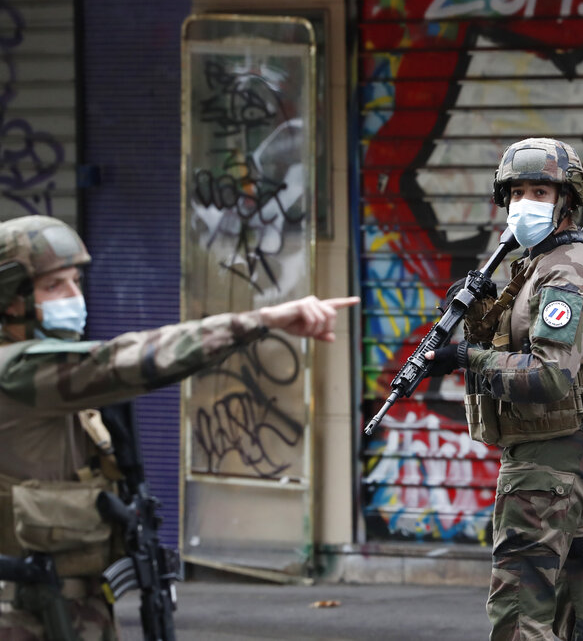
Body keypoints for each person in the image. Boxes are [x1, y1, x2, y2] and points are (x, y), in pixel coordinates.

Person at [0, 215, 359, 640]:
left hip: (70, 601)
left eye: (76, 281)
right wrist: (259, 321)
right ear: (12, 300)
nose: (74, 297)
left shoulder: (48, 381)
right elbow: (126, 361)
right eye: (54, 286)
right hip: (24, 610)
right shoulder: (19, 372)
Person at [426, 138, 583, 641]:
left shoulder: (564, 273)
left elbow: (549, 375)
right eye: (516, 192)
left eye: (539, 190)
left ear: (567, 200)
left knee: (519, 611)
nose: (524, 203)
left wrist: (467, 360)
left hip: (549, 459)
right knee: (579, 607)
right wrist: (478, 318)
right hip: (571, 451)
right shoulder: (544, 264)